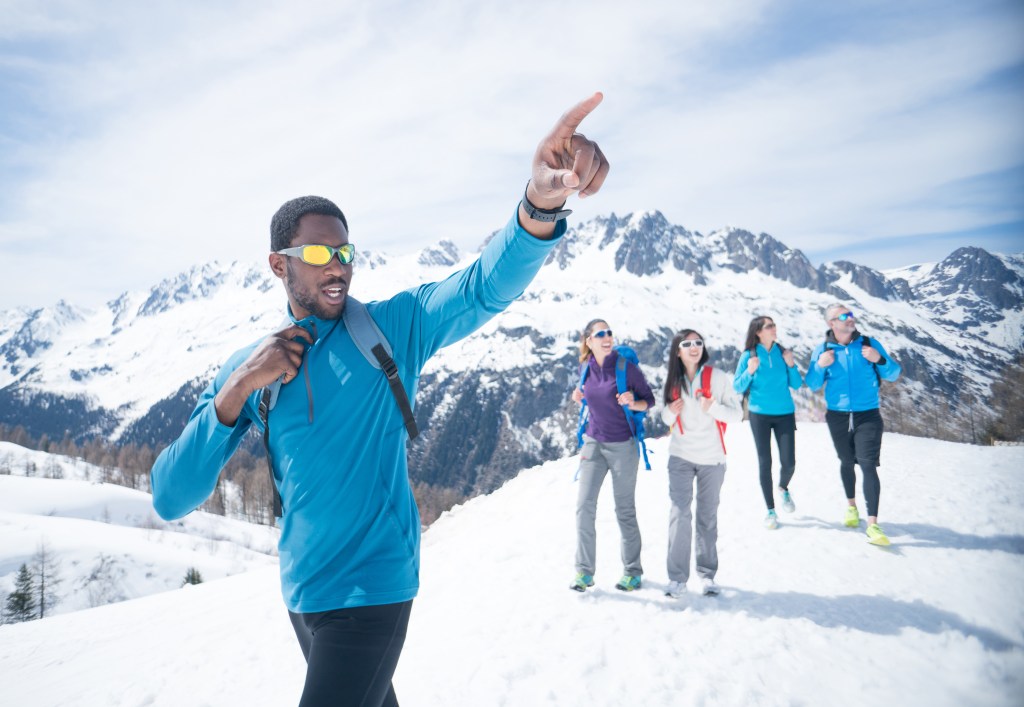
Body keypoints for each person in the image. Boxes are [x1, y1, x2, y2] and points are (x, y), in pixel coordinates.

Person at [150, 93, 610, 707]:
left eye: (345, 252)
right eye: (319, 254)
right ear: (277, 264)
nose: (338, 266)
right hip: (304, 595)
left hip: (373, 590)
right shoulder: (254, 368)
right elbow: (169, 496)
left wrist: (539, 204)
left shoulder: (390, 329)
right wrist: (236, 390)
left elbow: (481, 287)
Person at [569, 319, 655, 592]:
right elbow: (591, 398)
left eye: (609, 333)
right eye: (601, 334)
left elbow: (649, 401)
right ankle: (584, 573)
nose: (607, 337)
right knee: (584, 508)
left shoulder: (626, 369)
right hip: (593, 444)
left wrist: (633, 401)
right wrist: (579, 397)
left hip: (623, 448)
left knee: (624, 510)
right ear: (589, 341)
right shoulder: (585, 368)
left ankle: (632, 572)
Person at [805, 303, 901, 546]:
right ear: (832, 324)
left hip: (868, 414)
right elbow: (813, 383)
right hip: (837, 416)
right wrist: (820, 365)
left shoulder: (869, 344)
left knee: (868, 465)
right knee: (846, 461)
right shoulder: (824, 349)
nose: (850, 319)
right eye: (844, 316)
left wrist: (879, 359)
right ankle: (851, 507)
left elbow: (893, 373)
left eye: (851, 314)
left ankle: (873, 524)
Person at [660, 330, 742, 598]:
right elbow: (664, 417)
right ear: (678, 351)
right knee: (679, 515)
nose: (694, 347)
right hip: (680, 457)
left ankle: (707, 576)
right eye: (687, 344)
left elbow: (737, 415)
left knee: (707, 518)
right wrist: (670, 412)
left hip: (712, 460)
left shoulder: (717, 378)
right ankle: (677, 579)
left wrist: (713, 408)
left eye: (698, 342)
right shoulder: (673, 379)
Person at [733, 315, 804, 530]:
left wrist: (791, 365)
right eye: (769, 326)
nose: (774, 328)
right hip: (759, 415)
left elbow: (797, 384)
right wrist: (750, 370)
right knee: (765, 462)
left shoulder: (784, 354)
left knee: (789, 462)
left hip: (784, 413)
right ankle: (771, 511)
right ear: (758, 332)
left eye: (774, 325)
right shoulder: (749, 356)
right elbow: (737, 386)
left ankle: (783, 488)